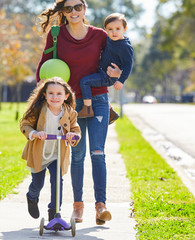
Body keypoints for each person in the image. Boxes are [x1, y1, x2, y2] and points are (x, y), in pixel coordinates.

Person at [36, 0, 122, 225]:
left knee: (98, 153)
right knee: (78, 155)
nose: (73, 12)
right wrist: (47, 97)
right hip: (71, 105)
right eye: (68, 8)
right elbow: (43, 68)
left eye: (77, 7)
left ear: (84, 9)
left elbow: (121, 54)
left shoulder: (100, 36)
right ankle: (78, 207)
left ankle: (101, 206)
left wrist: (120, 72)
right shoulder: (56, 34)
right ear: (63, 12)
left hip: (99, 100)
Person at [20, 77, 81, 222]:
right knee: (37, 183)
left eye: (59, 94)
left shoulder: (69, 112)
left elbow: (76, 130)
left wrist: (73, 135)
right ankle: (31, 197)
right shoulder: (39, 110)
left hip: (57, 154)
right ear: (45, 95)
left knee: (57, 181)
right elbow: (25, 125)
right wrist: (34, 133)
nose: (55, 97)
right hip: (40, 153)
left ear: (66, 96)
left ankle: (54, 212)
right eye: (51, 93)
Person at [78, 13, 134, 119]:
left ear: (125, 29)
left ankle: (87, 109)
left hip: (108, 76)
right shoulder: (109, 39)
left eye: (118, 29)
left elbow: (128, 65)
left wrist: (121, 80)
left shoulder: (124, 46)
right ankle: (110, 111)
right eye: (110, 29)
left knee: (85, 81)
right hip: (101, 70)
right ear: (105, 30)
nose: (114, 32)